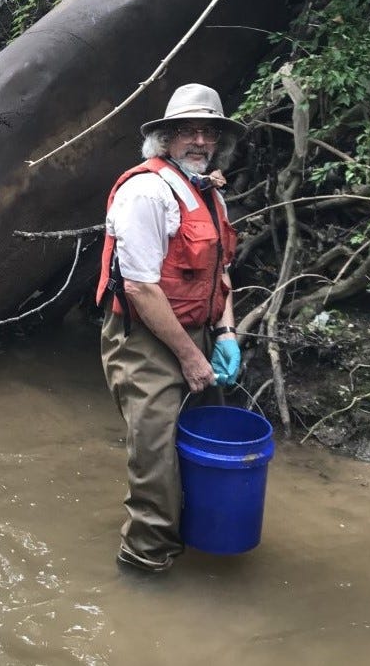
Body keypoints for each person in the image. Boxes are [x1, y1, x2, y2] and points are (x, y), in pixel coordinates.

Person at [96, 83, 244, 572]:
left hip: (197, 333)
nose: (199, 141)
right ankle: (144, 561)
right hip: (144, 339)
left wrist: (224, 333)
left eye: (208, 132)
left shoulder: (210, 195)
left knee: (204, 440)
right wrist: (188, 356)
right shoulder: (145, 192)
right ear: (164, 138)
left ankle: (198, 537)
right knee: (156, 456)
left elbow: (220, 270)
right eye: (187, 131)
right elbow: (139, 288)